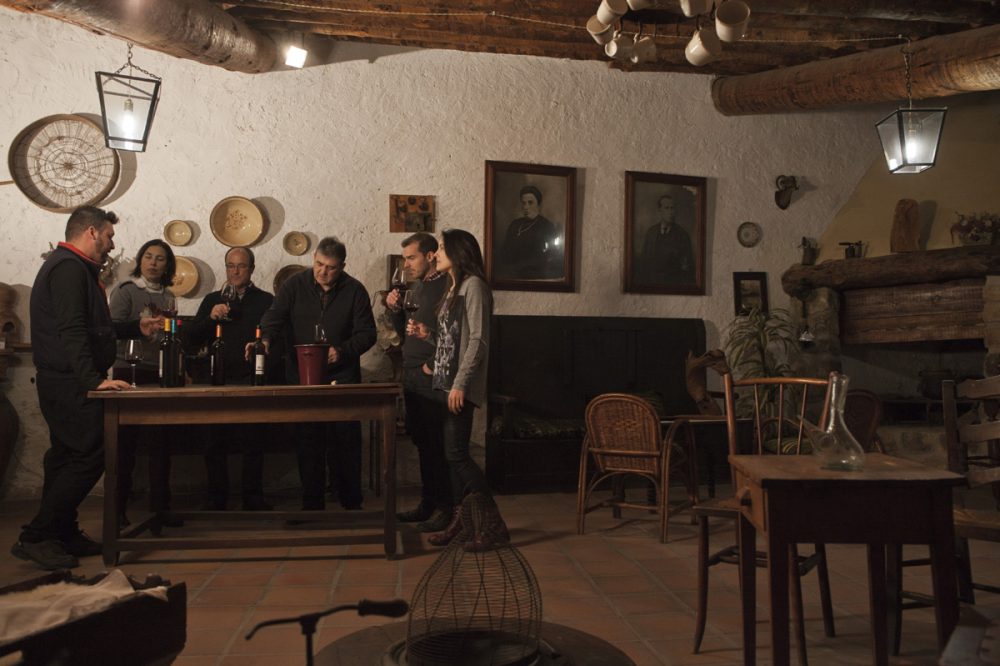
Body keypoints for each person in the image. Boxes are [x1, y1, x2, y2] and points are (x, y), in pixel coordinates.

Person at [12, 206, 160, 570]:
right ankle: (37, 536)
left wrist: (133, 329)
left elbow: (92, 327)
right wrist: (93, 380)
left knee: (65, 457)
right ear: (91, 232)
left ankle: (63, 531)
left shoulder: (74, 267)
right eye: (109, 236)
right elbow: (72, 329)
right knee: (92, 452)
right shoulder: (68, 268)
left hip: (66, 379)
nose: (112, 244)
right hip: (70, 381)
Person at [257, 237, 376, 511]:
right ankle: (312, 504)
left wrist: (342, 351)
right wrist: (265, 339)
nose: (323, 271)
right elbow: (274, 317)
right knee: (308, 439)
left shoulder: (355, 290)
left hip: (342, 376)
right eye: (319, 264)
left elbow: (367, 334)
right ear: (313, 259)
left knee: (346, 440)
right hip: (303, 376)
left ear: (342, 267)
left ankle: (351, 503)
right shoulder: (294, 285)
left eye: (331, 268)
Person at [408, 229, 509, 551]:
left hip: (457, 386)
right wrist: (428, 335)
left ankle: (493, 525)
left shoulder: (474, 286)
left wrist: (460, 384)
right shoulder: (455, 287)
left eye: (440, 248)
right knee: (452, 456)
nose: (436, 253)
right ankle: (461, 521)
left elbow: (478, 340)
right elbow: (451, 341)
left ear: (457, 251)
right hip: (444, 383)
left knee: (457, 455)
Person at [186, 247, 274, 511]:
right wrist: (210, 319)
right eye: (230, 266)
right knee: (213, 440)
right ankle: (217, 497)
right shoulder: (213, 299)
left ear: (252, 269)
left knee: (253, 440)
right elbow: (191, 339)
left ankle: (253, 497)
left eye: (241, 266)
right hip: (216, 379)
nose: (235, 271)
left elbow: (275, 335)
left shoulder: (266, 300)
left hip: (251, 378)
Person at [386, 232, 451, 532]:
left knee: (438, 444)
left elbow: (452, 334)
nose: (407, 264)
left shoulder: (446, 286)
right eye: (405, 259)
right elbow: (405, 333)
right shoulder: (417, 287)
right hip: (411, 372)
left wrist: (430, 365)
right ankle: (428, 504)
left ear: (430, 255)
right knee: (423, 442)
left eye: (411, 258)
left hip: (430, 374)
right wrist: (394, 310)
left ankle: (446, 509)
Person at [109, 239, 177, 526]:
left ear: (167, 265)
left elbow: (170, 336)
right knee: (125, 445)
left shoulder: (169, 296)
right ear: (140, 260)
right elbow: (111, 329)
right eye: (148, 256)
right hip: (127, 371)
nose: (153, 262)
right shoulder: (126, 291)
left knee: (161, 443)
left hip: (158, 371)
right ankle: (117, 512)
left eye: (160, 258)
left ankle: (160, 509)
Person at [497, 185, 562, 280]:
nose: (526, 207)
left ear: (539, 205)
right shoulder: (515, 224)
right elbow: (504, 253)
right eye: (523, 203)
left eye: (530, 203)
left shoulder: (546, 226)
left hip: (535, 276)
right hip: (512, 275)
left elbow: (549, 256)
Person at [637, 193, 695, 286]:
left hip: (672, 285)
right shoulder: (651, 233)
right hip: (651, 284)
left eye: (672, 208)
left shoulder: (682, 235)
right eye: (667, 208)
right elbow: (644, 262)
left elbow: (686, 268)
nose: (671, 212)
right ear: (660, 211)